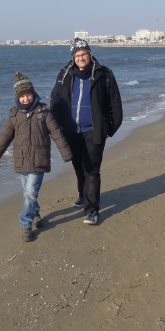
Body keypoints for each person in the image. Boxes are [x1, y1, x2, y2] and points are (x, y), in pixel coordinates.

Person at [0, 72, 72, 242]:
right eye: (22, 96)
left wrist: (66, 153)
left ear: (33, 94)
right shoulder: (13, 116)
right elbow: (3, 139)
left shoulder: (44, 112)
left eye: (28, 94)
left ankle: (26, 224)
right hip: (22, 160)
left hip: (39, 161)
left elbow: (57, 134)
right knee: (27, 193)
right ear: (17, 97)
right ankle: (35, 212)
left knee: (30, 193)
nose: (25, 98)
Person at [50, 38, 123, 225]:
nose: (81, 58)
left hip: (94, 130)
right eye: (77, 55)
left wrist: (111, 128)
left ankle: (91, 210)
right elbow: (55, 101)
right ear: (73, 57)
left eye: (84, 54)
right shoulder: (64, 75)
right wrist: (56, 127)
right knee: (78, 167)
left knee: (92, 169)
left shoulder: (104, 74)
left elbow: (115, 103)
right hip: (71, 131)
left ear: (90, 54)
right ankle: (83, 195)